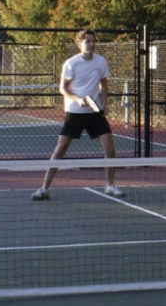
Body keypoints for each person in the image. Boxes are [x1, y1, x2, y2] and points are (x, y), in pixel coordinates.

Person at [31, 29, 125, 200]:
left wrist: (105, 103)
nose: (91, 44)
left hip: (94, 112)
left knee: (109, 148)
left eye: (93, 41)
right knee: (61, 149)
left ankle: (110, 185)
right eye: (88, 41)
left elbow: (103, 84)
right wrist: (77, 99)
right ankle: (44, 188)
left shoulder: (101, 61)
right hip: (75, 112)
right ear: (79, 43)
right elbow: (63, 88)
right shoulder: (71, 63)